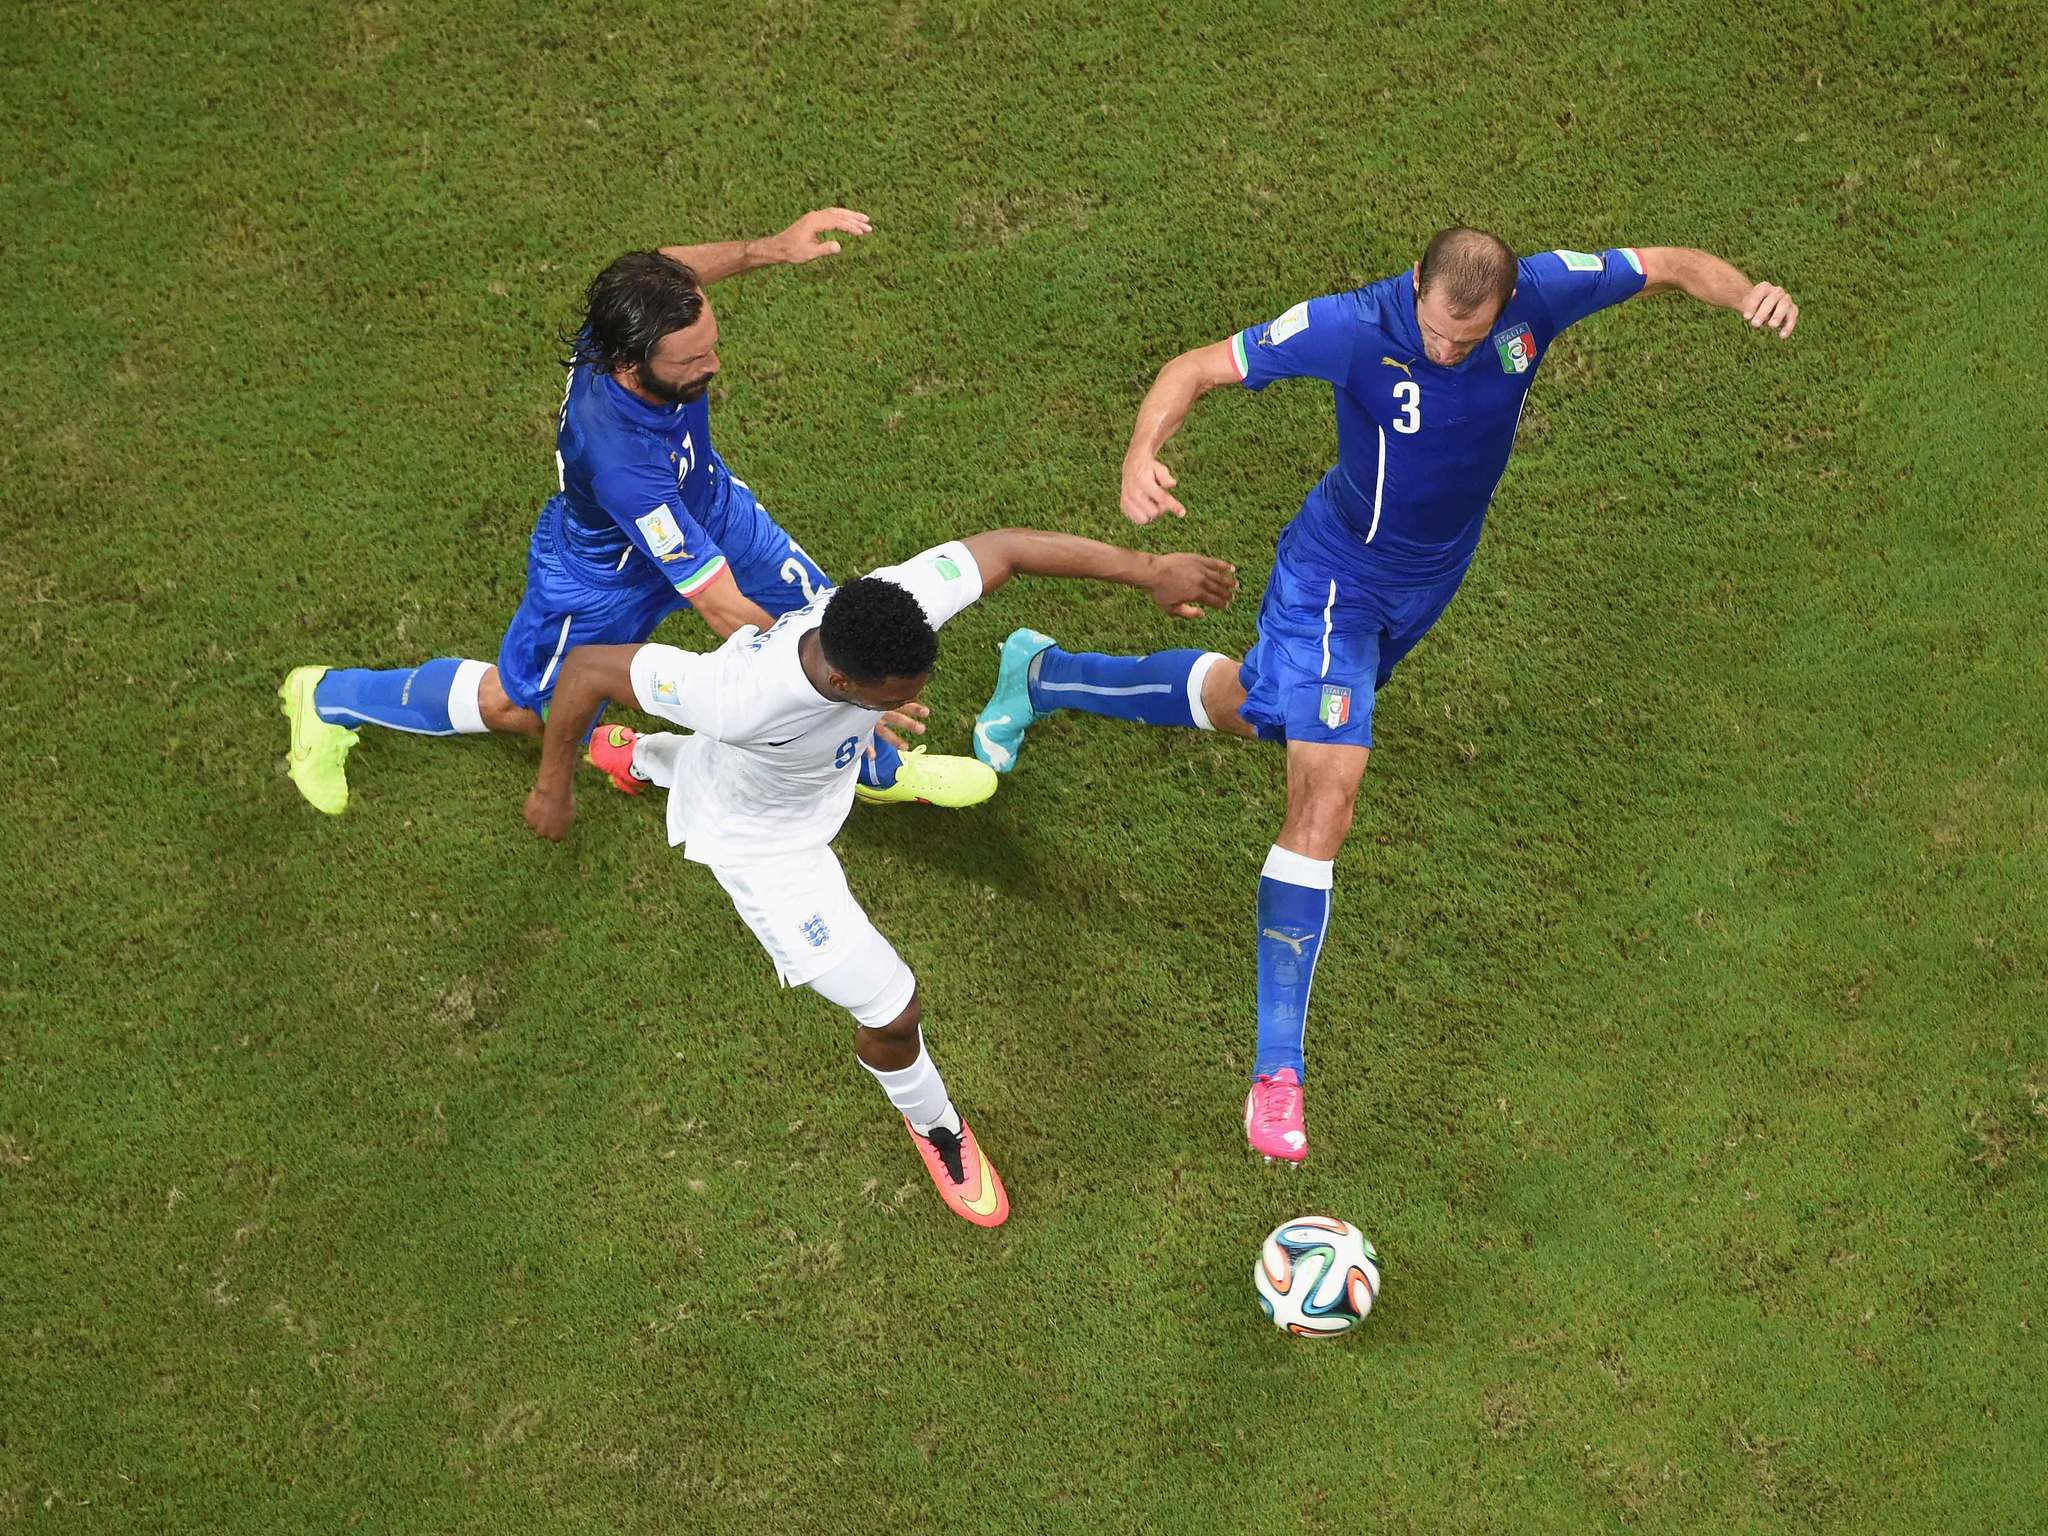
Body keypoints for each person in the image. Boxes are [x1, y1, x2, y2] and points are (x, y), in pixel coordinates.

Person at [972, 229, 1801, 1163]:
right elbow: (1197, 368)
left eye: (1470, 339)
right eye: (1439, 335)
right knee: (1326, 795)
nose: (1450, 352)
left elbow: (1667, 265)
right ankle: (1276, 1077)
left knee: (1249, 704)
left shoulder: (1541, 295)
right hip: (1336, 580)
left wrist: (1744, 294)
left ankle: (1041, 672)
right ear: (1416, 286)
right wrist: (1139, 452)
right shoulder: (1353, 327)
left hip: (1432, 577)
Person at [525, 529, 1238, 1225]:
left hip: (791, 774)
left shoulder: (889, 607)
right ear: (842, 680)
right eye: (896, 692)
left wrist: (1149, 569)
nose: (915, 695)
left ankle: (638, 757)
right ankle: (935, 1125)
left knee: (730, 762)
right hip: (764, 846)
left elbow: (1009, 550)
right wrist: (553, 787)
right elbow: (588, 669)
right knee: (892, 1013)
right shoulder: (731, 696)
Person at [280, 209, 993, 815]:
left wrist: (765, 250)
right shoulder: (621, 463)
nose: (712, 367)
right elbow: (721, 610)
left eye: (711, 345)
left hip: (706, 504)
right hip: (605, 573)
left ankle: (865, 760)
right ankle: (329, 697)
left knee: (822, 608)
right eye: (690, 363)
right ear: (631, 363)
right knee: (523, 708)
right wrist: (852, 678)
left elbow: (667, 266)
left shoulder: (624, 315)